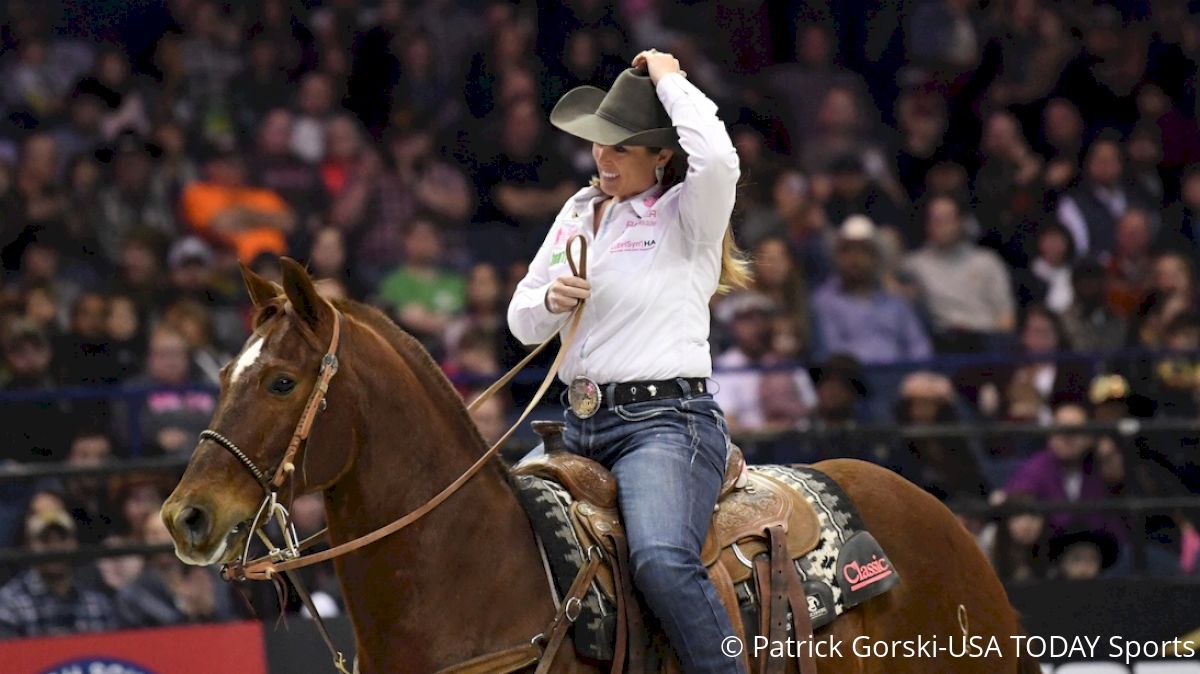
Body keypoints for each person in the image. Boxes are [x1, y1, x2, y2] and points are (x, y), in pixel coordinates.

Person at [507, 50, 748, 673]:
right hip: (577, 425)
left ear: (660, 155)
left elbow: (720, 158)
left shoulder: (689, 215)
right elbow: (521, 318)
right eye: (598, 146)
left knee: (663, 561)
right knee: (497, 531)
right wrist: (550, 301)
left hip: (666, 424)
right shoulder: (578, 212)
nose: (602, 159)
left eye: (620, 148)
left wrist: (671, 80)